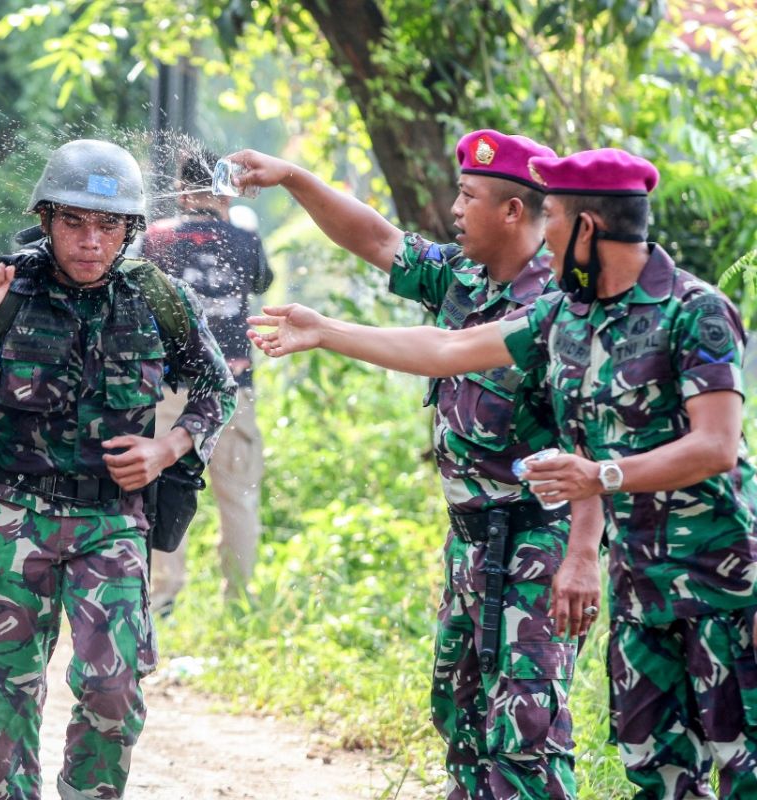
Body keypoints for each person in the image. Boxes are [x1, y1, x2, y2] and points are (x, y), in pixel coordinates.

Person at [249, 147, 757, 799]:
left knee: (739, 760)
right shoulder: (565, 316)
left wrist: (595, 488)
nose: (544, 236)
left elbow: (716, 447)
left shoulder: (695, 309)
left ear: (586, 228)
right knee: (651, 765)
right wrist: (326, 330)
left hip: (718, 575)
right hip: (636, 579)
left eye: (553, 219)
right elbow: (450, 348)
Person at [227, 132, 605, 800]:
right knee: (460, 720)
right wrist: (293, 177)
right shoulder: (462, 273)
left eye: (468, 196)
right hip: (468, 540)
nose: (455, 208)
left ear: (514, 212)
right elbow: (377, 240)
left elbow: (587, 436)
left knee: (526, 738)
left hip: (536, 541)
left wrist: (583, 553)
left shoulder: (559, 305)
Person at [0, 139, 236, 800]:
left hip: (112, 520)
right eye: (74, 222)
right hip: (17, 515)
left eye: (108, 225)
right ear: (48, 220)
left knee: (114, 692)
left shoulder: (154, 297)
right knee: (6, 692)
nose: (91, 240)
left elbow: (216, 389)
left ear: (130, 230)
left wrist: (165, 450)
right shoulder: (4, 291)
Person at [141, 148, 274, 610]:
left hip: (168, 388)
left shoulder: (155, 238)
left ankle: (162, 597)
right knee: (237, 495)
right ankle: (239, 597)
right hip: (232, 386)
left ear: (180, 190)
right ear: (226, 189)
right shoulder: (244, 240)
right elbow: (262, 282)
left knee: (160, 483)